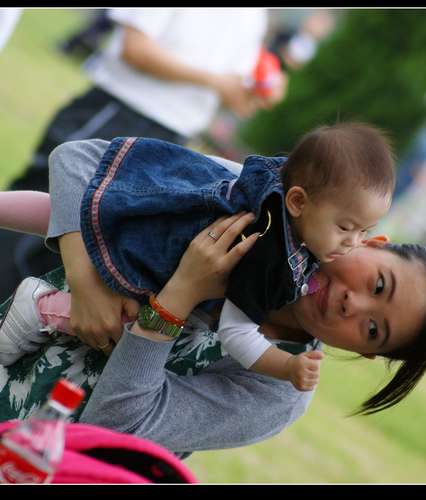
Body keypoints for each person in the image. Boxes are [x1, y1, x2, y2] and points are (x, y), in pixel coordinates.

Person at [0, 209, 426, 458]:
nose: (355, 304)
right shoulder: (258, 215)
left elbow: (115, 425)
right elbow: (80, 168)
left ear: (364, 352)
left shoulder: (278, 391)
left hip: (30, 465)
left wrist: (181, 294)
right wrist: (83, 279)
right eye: (379, 284)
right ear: (374, 242)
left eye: (373, 329)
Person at [0, 122, 395, 392]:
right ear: (297, 201)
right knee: (133, 318)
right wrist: (286, 367)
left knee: (93, 210)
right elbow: (237, 332)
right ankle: (44, 307)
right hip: (151, 263)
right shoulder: (271, 254)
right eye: (346, 227)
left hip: (153, 212)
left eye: (363, 232)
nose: (352, 242)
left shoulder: (279, 193)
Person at [0, 7, 275, 303]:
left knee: (86, 245)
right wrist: (218, 83)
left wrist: (255, 90)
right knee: (37, 223)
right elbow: (135, 49)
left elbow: (235, 82)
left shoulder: (255, 15)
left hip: (173, 139)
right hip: (121, 111)